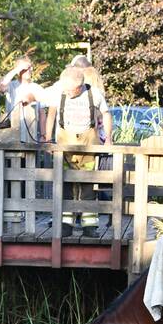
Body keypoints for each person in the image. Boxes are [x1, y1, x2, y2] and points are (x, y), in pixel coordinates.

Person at [44, 67, 113, 237]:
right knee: (65, 184)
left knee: (87, 184)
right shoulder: (58, 93)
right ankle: (65, 224)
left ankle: (89, 225)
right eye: (65, 89)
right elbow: (51, 115)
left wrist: (109, 139)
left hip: (87, 146)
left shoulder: (94, 94)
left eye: (71, 90)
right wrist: (47, 139)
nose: (67, 92)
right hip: (64, 146)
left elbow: (106, 114)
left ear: (80, 86)